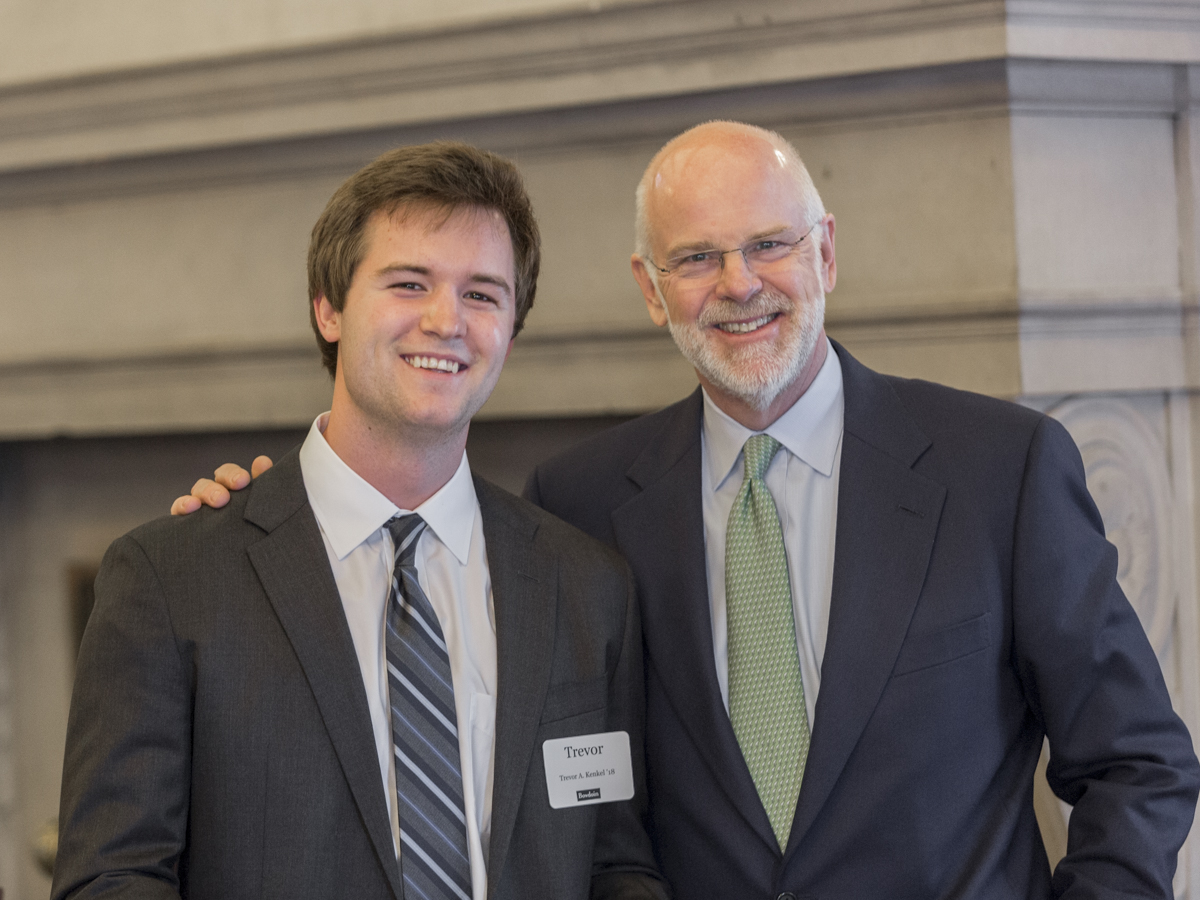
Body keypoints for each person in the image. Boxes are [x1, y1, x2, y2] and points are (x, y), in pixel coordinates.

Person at [176, 122, 1200, 898]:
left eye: (769, 244)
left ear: (826, 255)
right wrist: (271, 534)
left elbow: (1138, 765)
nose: (739, 284)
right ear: (651, 289)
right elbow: (566, 803)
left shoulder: (1000, 469)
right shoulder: (576, 508)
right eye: (696, 258)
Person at [54, 142, 667, 900]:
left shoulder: (588, 586)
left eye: (484, 294)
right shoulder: (170, 578)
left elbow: (613, 861)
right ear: (329, 307)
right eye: (409, 283)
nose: (448, 321)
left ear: (512, 327)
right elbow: (114, 879)